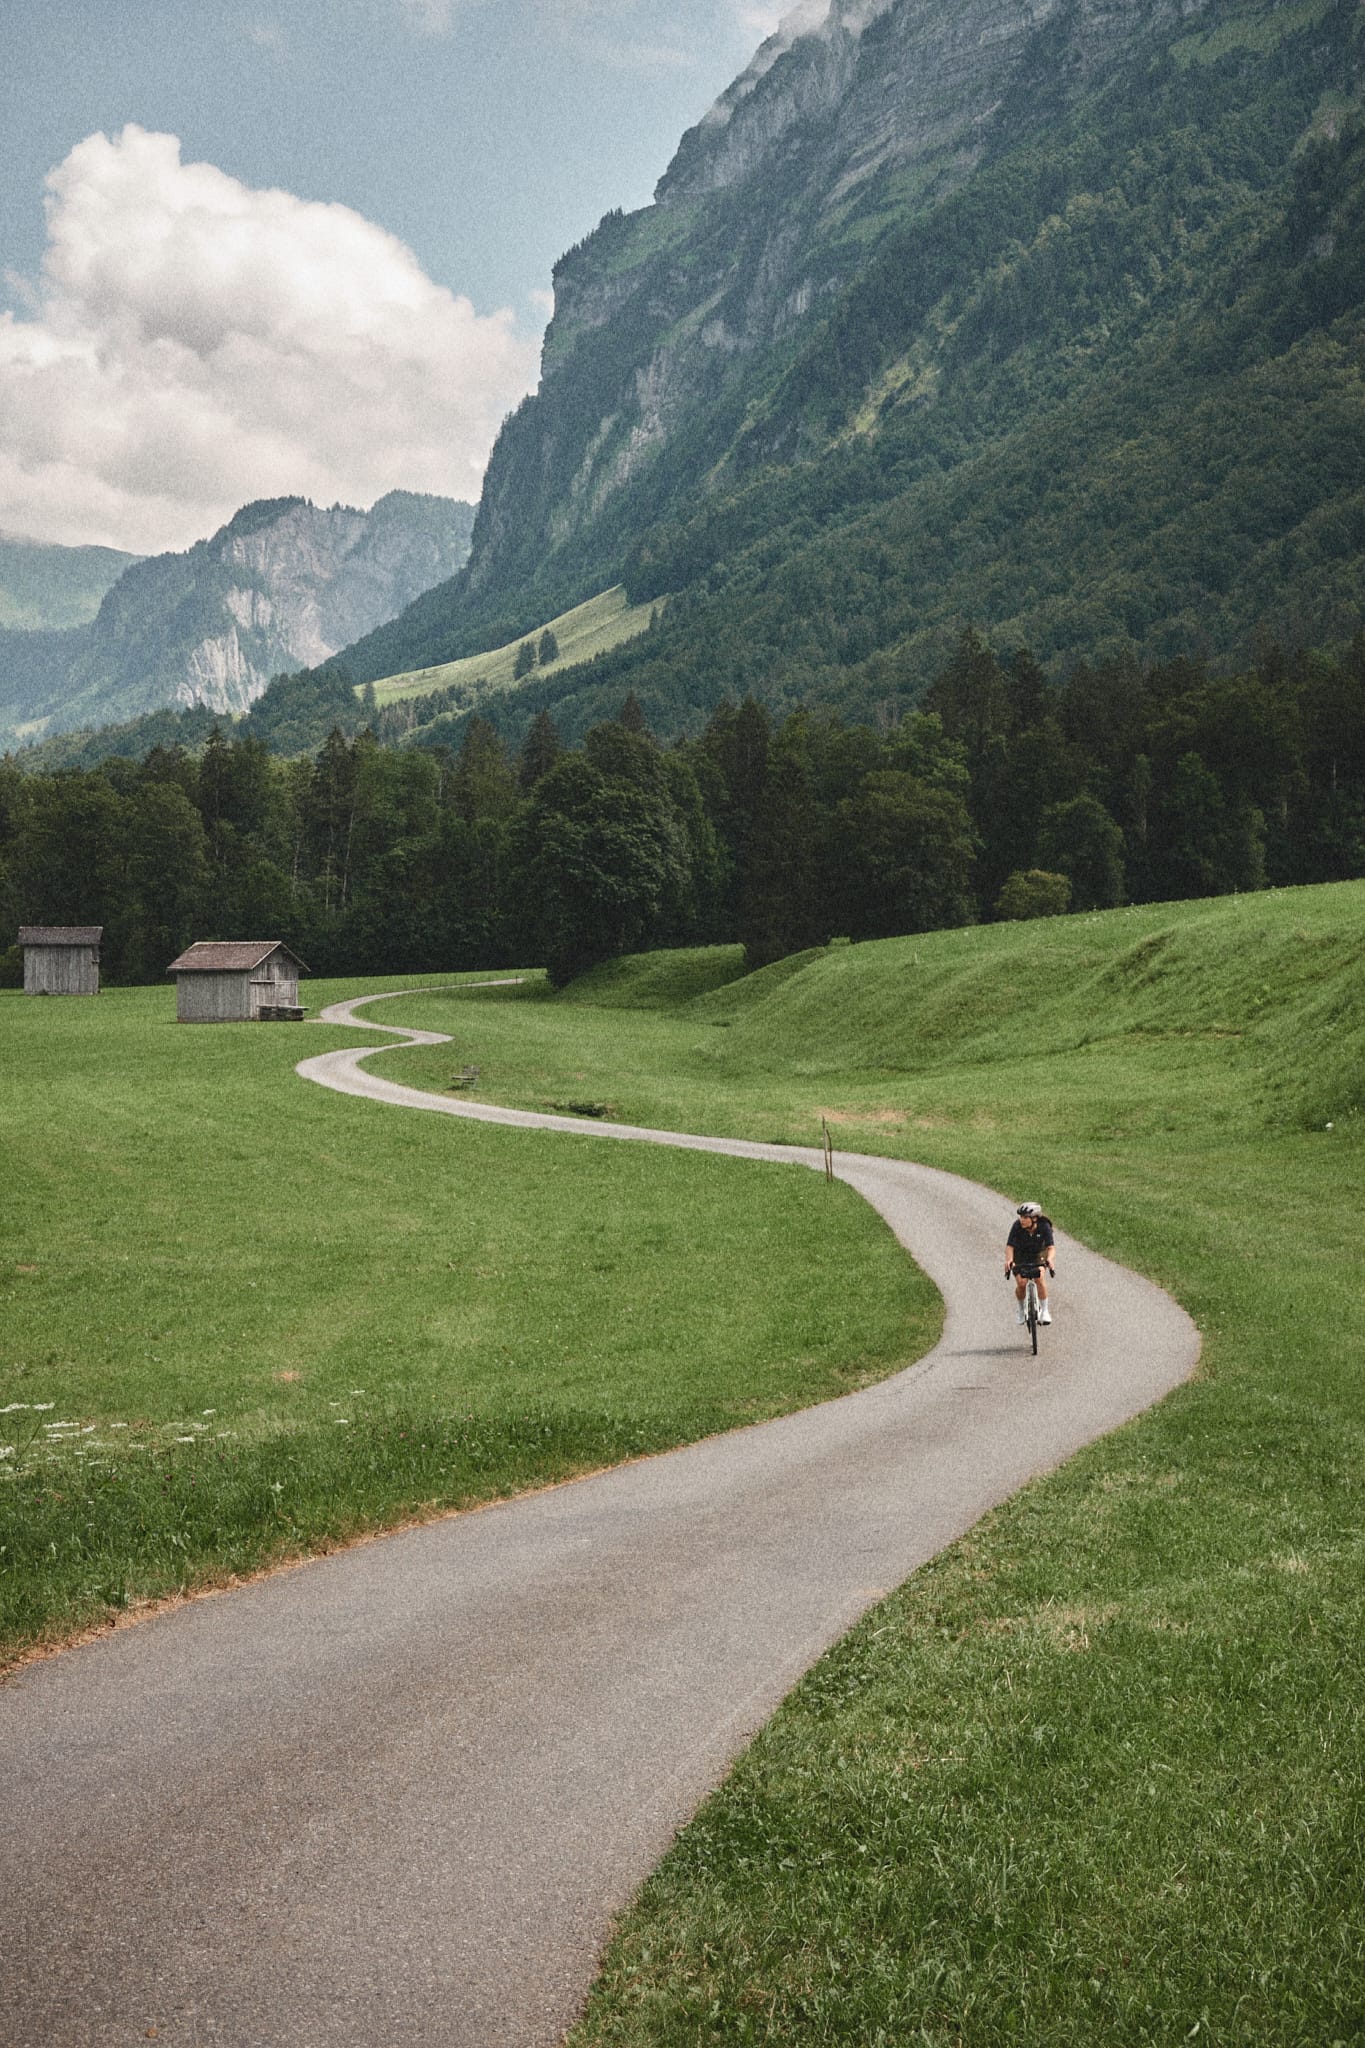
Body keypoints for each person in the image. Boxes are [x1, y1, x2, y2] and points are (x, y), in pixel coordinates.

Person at [1005, 1201, 1055, 1324]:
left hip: (1038, 1253)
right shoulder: (1017, 1226)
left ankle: (1045, 1311)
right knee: (1021, 1283)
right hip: (1021, 1254)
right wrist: (1009, 1260)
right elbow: (1010, 1246)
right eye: (1021, 1217)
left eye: (1025, 1217)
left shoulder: (1044, 1226)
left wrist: (1050, 1259)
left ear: (1034, 1218)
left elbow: (1051, 1247)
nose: (1022, 1220)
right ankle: (1021, 1310)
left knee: (1039, 1278)